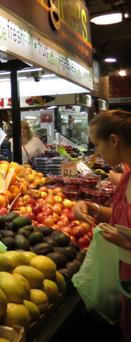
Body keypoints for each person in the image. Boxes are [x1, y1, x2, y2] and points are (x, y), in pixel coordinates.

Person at [73, 110, 131, 340]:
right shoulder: (125, 178)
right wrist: (92, 208)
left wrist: (123, 242)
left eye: (97, 144)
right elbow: (121, 216)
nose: (96, 152)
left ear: (114, 140)